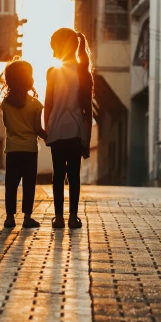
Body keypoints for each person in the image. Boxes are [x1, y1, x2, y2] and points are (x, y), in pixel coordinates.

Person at [45, 28, 93, 229]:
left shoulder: (53, 72)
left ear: (61, 46)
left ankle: (58, 218)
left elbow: (48, 104)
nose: (53, 50)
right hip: (75, 131)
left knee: (58, 176)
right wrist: (87, 138)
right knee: (74, 177)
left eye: (54, 45)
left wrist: (47, 129)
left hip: (56, 131)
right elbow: (87, 110)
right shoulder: (83, 72)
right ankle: (73, 217)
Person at [0, 59, 47, 228]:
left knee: (11, 184)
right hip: (29, 150)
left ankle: (9, 218)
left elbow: (7, 124)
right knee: (28, 185)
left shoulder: (5, 104)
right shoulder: (35, 104)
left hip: (12, 149)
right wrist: (48, 138)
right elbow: (37, 129)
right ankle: (27, 218)